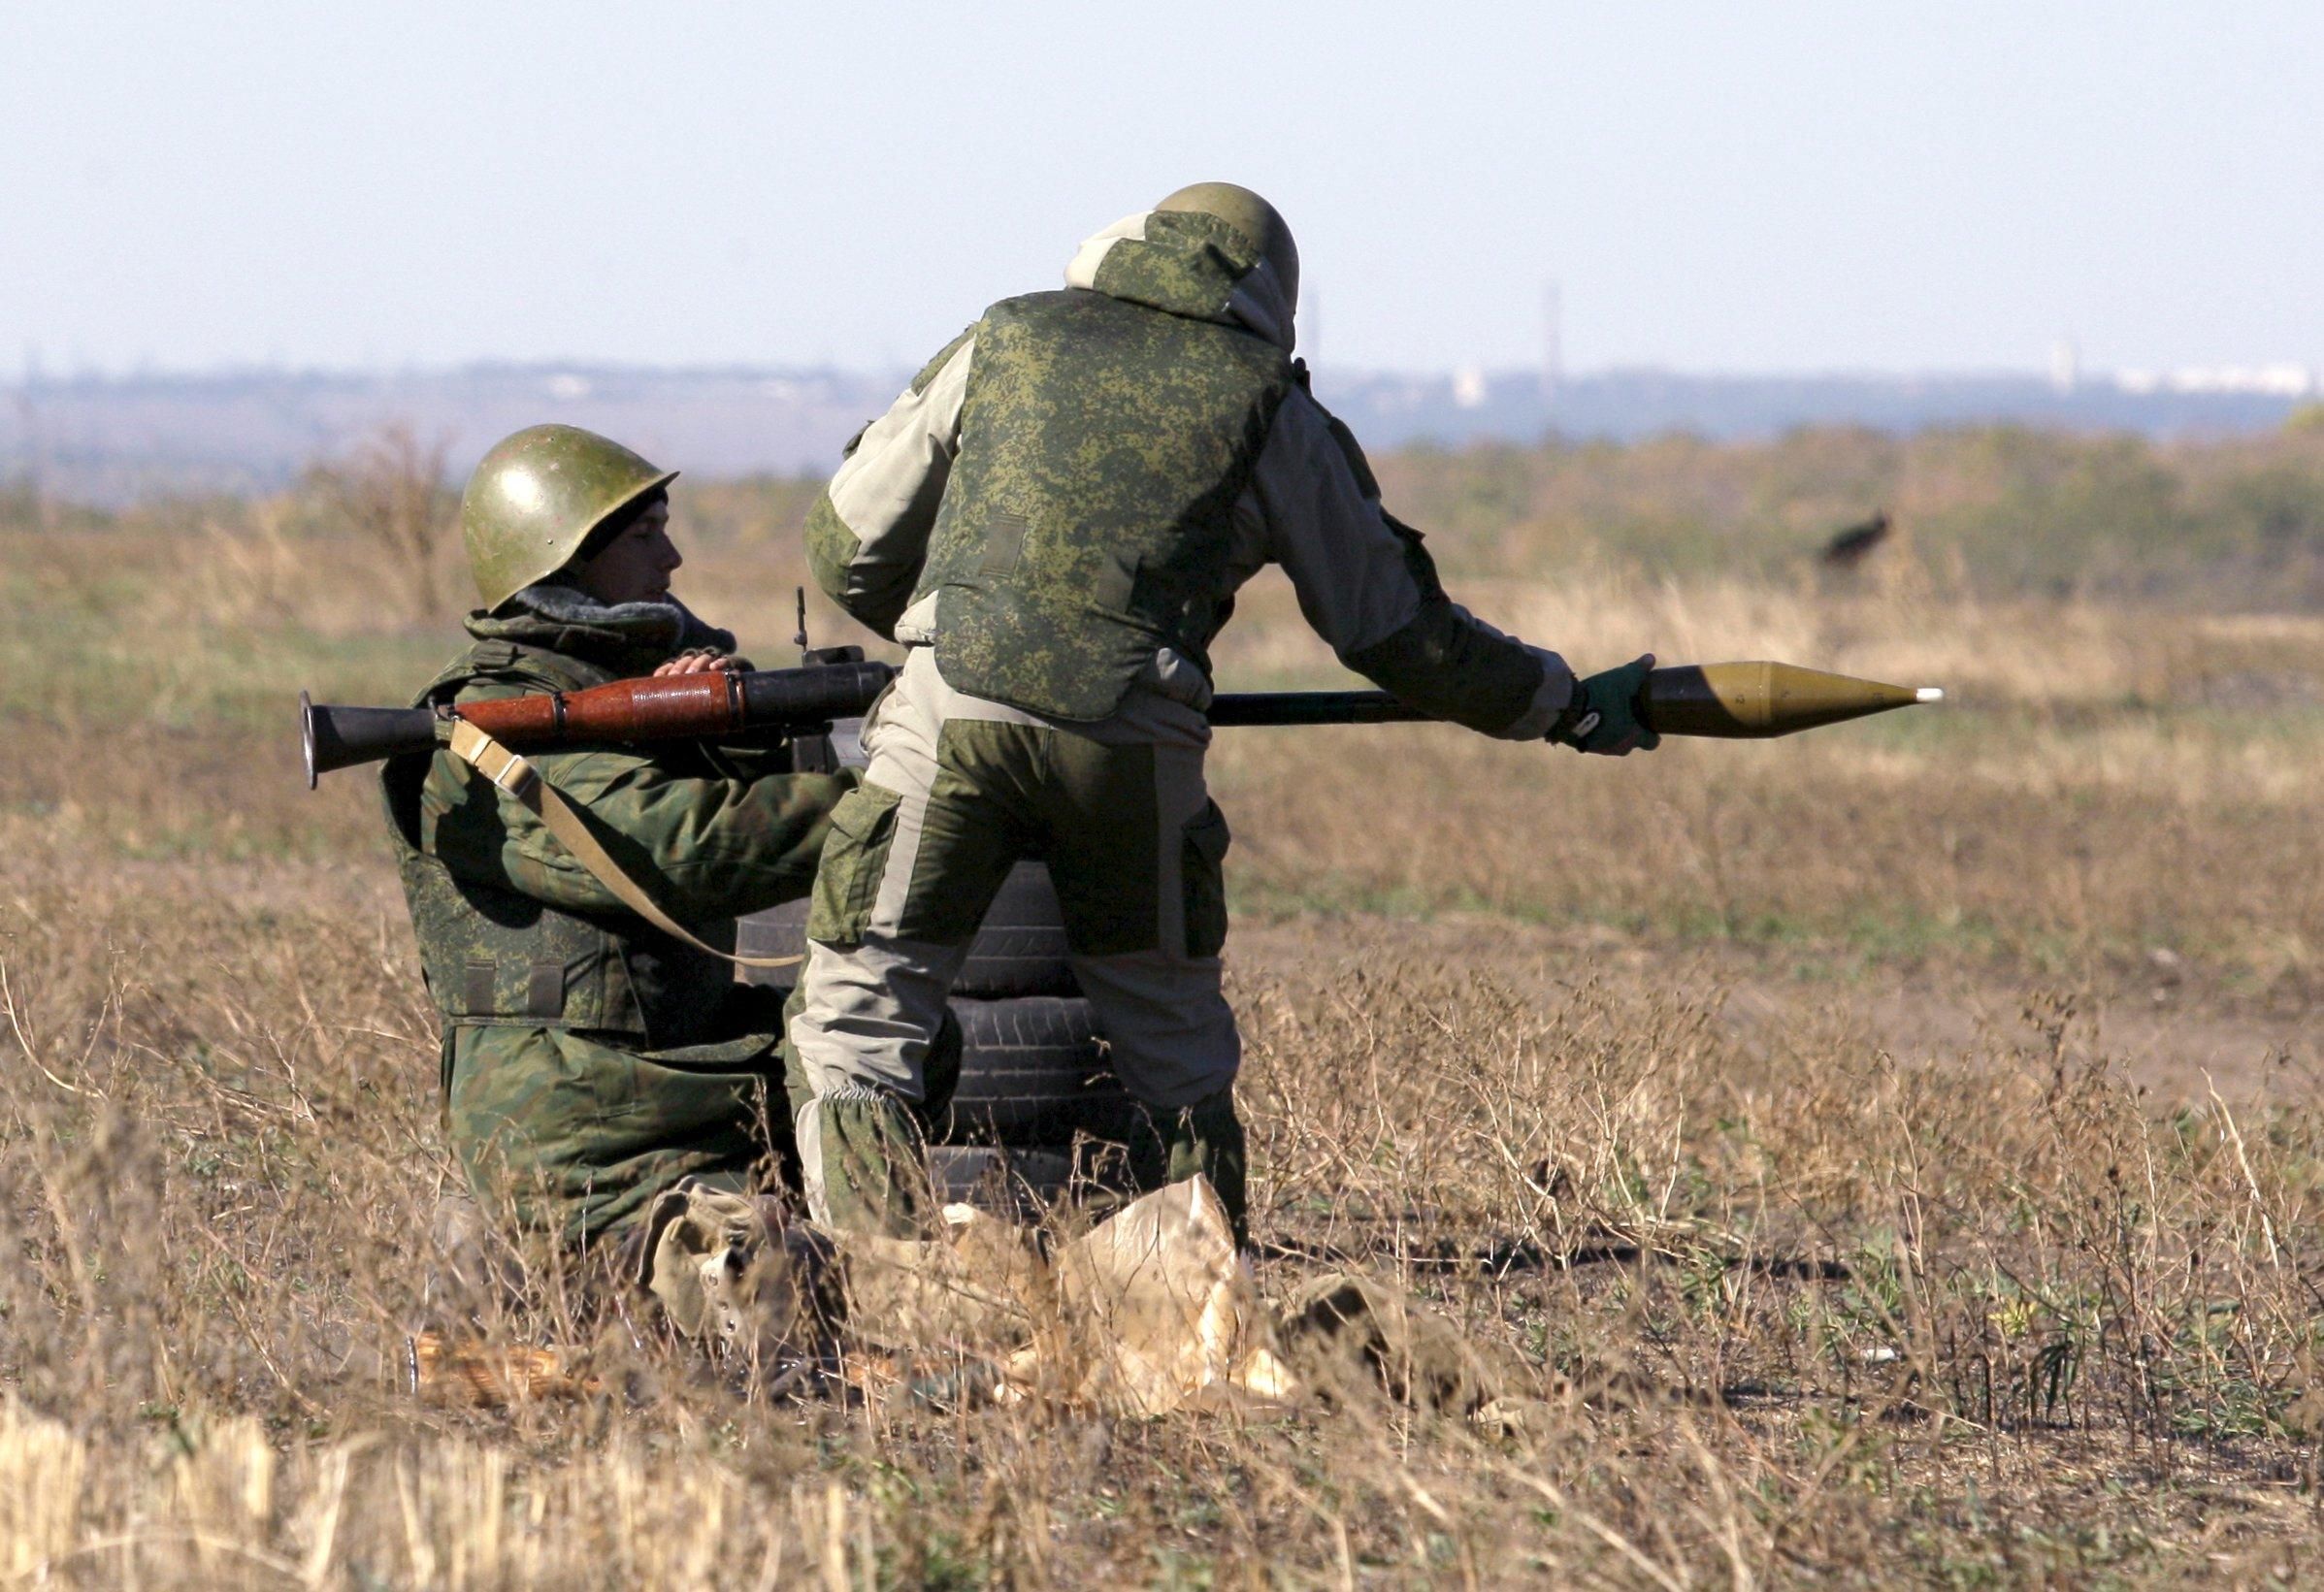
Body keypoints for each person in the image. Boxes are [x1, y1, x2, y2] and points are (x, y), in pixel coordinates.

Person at [787, 183, 1658, 1243]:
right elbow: (1397, 634)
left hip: (943, 723)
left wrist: (944, 635)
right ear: (1271, 299)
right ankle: (1197, 1317)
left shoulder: (1008, 337)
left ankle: (888, 1295)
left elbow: (845, 545)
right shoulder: (1271, 407)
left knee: (860, 1015)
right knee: (1171, 1046)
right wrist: (1561, 705)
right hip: (1137, 752)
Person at [381, 423, 857, 1269]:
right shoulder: (488, 726)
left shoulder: (604, 690)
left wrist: (730, 725)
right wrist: (892, 803)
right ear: (559, 556)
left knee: (899, 1046)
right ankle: (523, 1273)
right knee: (772, 1277)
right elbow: (682, 846)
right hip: (587, 1123)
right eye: (644, 534)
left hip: (678, 1076)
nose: (671, 560)